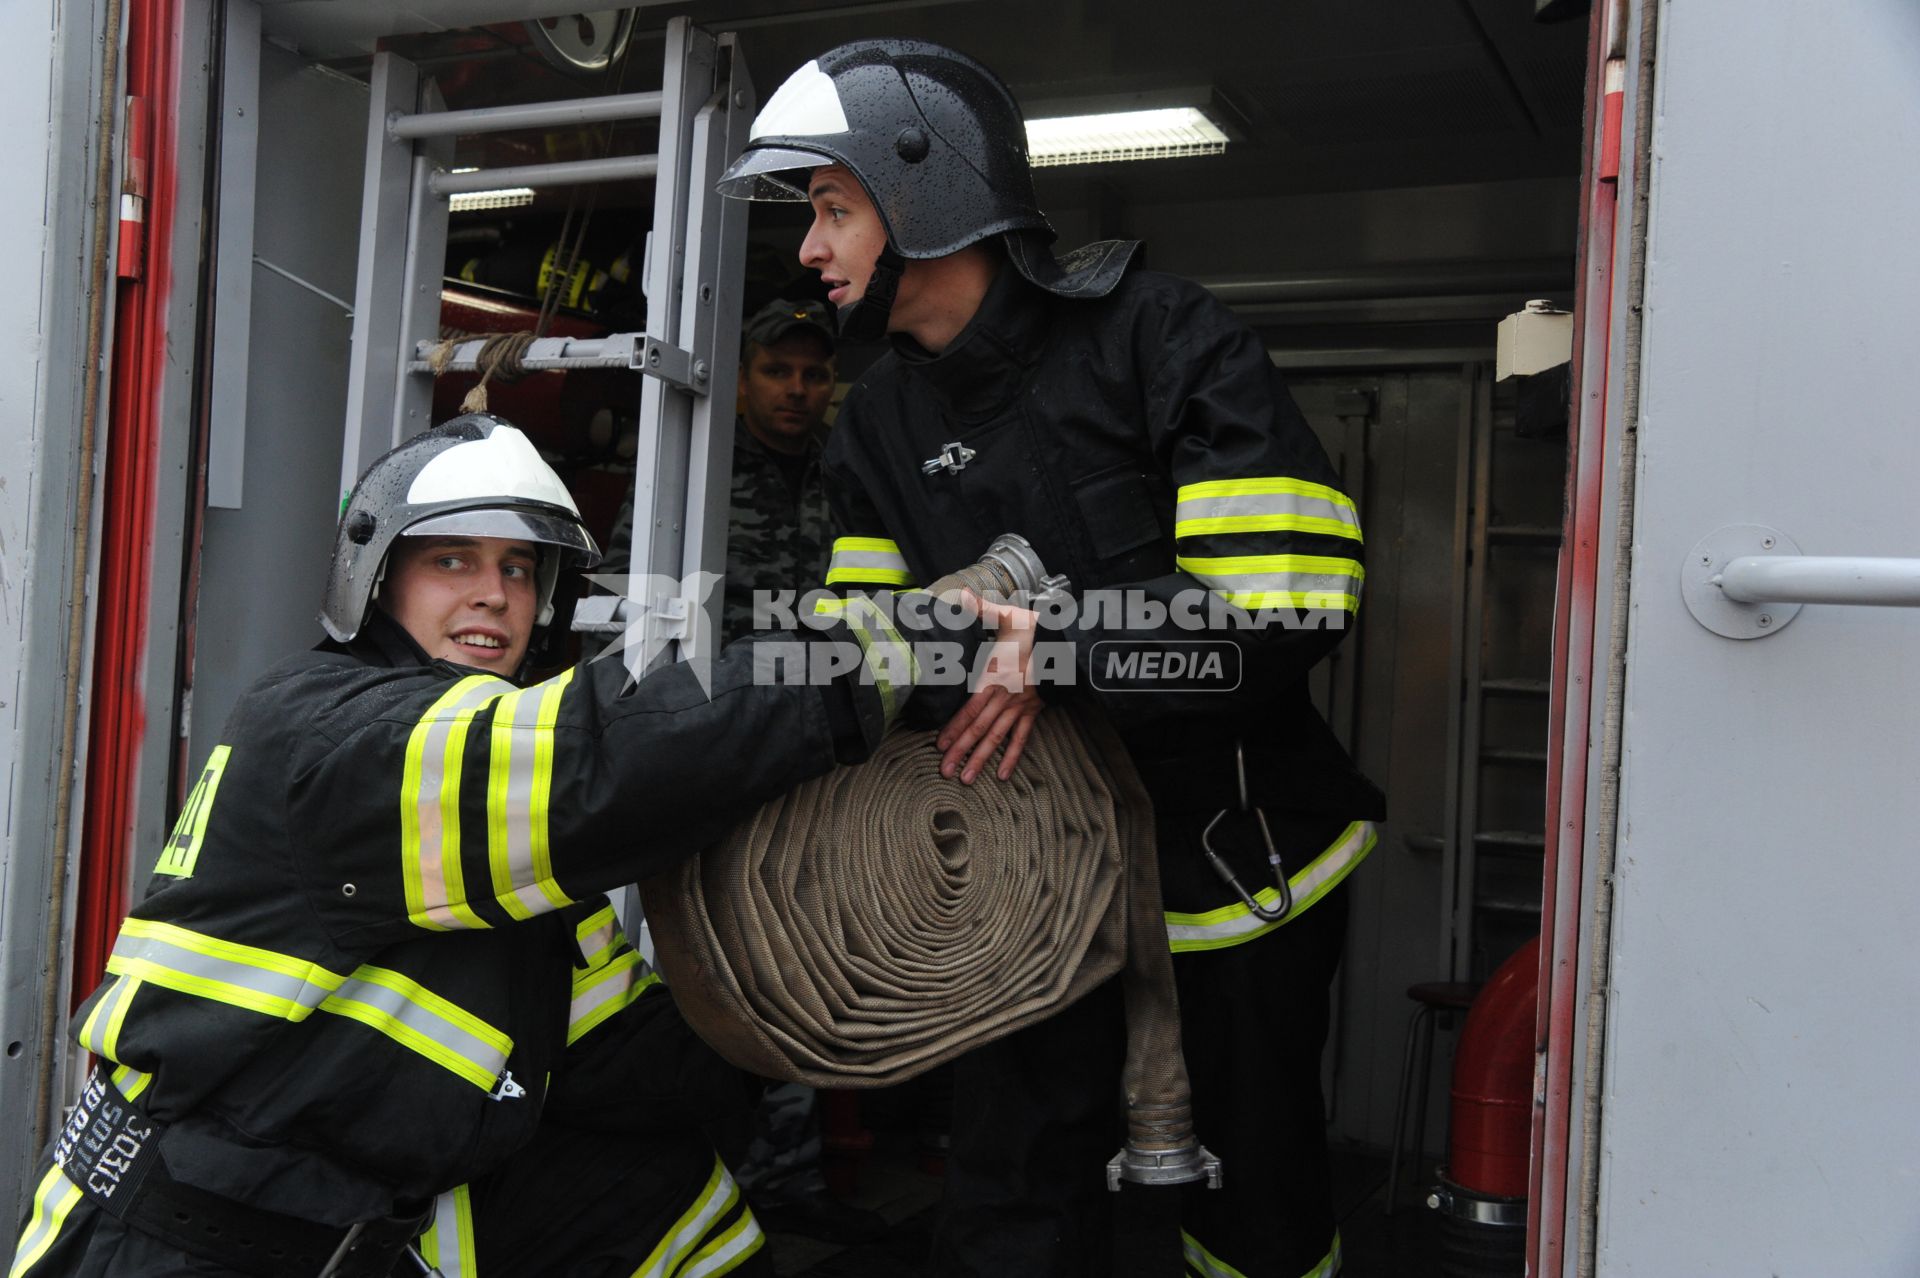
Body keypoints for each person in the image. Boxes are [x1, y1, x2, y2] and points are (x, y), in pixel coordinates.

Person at [717, 41, 1386, 1278]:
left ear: (924, 193)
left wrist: (1060, 644)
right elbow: (875, 649)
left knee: (1256, 1204)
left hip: (1235, 869)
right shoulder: (876, 421)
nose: (810, 252)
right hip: (1024, 884)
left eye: (831, 208)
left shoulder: (1162, 336)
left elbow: (1288, 605)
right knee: (1009, 1194)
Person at [8, 414, 913, 1278]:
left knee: (672, 1200)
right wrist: (888, 650)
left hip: (316, 1234)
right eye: (453, 560)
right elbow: (606, 759)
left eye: (521, 569)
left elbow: (630, 1057)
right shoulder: (344, 730)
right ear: (373, 577)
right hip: (159, 1246)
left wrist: (866, 985)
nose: (495, 593)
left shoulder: (489, 849)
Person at [605, 297, 839, 646]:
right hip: (710, 688)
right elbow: (625, 591)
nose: (796, 390)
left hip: (814, 686)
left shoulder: (845, 478)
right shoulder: (694, 466)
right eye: (776, 371)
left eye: (814, 375)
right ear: (743, 380)